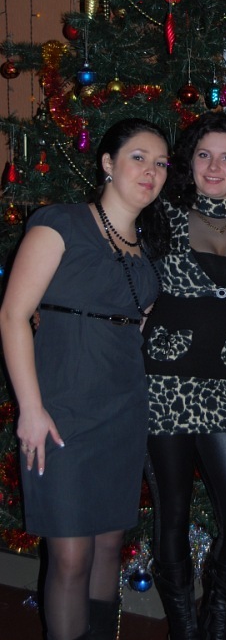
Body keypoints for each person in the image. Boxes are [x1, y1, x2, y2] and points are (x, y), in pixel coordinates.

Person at [0, 118, 170, 640]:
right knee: (71, 556)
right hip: (63, 408)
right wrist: (31, 409)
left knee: (107, 548)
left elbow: (135, 330)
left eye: (161, 163)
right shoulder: (61, 223)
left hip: (124, 410)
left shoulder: (146, 249)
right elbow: (12, 315)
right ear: (107, 163)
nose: (151, 171)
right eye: (139, 157)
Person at [142, 112, 226, 640]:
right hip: (161, 385)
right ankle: (185, 629)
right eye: (204, 155)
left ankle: (216, 619)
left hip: (219, 389)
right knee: (171, 514)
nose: (215, 167)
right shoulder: (160, 215)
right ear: (188, 161)